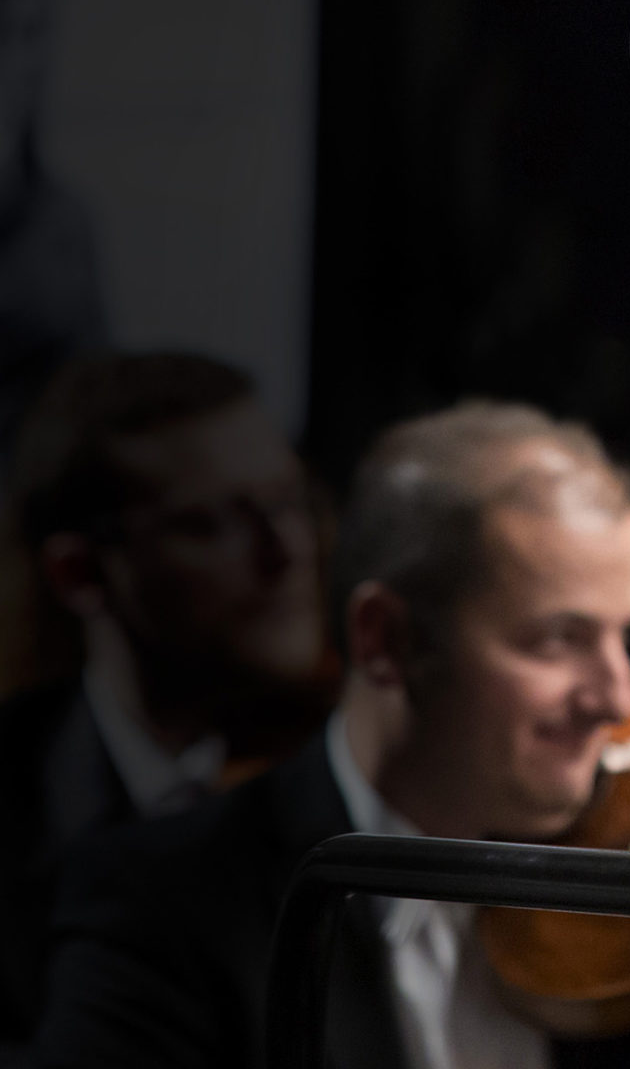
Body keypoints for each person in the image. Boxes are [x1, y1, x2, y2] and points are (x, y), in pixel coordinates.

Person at [34, 402, 630, 1069]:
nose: (616, 699)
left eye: (624, 636)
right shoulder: (160, 911)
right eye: (557, 639)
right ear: (385, 638)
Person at [0, 353, 330, 1049]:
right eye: (208, 523)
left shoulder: (352, 758)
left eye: (285, 500)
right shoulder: (19, 791)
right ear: (79, 573)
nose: (288, 551)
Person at [0, 0, 107, 447]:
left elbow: (97, 379)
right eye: (6, 31)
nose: (23, 59)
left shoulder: (65, 220)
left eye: (34, 32)